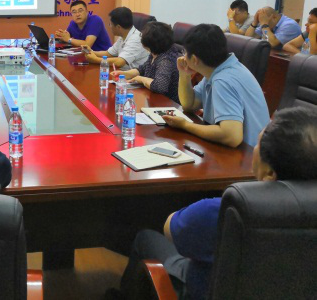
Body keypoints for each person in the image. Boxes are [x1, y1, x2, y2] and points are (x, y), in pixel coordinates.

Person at [114, 107, 317, 300]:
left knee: (145, 239)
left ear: (269, 173)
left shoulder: (227, 211)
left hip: (200, 291)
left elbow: (170, 229)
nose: (254, 149)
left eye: (257, 144)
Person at [162, 24, 269, 148]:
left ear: (195, 60)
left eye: (185, 52)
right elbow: (190, 105)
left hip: (247, 154)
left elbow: (232, 137)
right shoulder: (217, 70)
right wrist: (184, 74)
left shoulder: (223, 81)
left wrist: (185, 125)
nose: (183, 56)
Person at [111, 22, 183, 103]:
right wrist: (123, 74)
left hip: (168, 104)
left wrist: (141, 79)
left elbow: (159, 87)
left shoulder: (166, 60)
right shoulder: (155, 52)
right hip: (154, 99)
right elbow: (142, 69)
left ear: (150, 41)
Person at [83, 7, 149, 70]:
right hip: (122, 73)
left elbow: (120, 62)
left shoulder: (136, 40)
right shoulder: (123, 36)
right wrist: (91, 52)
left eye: (110, 24)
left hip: (133, 76)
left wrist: (96, 60)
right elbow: (108, 54)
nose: (110, 26)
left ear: (118, 27)